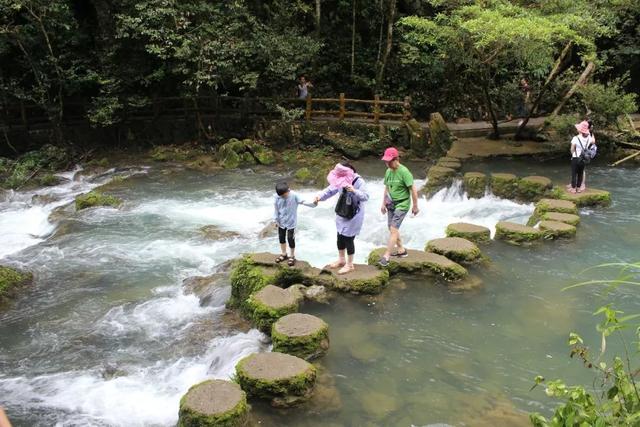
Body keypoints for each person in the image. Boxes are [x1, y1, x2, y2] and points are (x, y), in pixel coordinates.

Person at [314, 162, 369, 274]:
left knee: (349, 239)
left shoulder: (359, 181)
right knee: (340, 236)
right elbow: (330, 190)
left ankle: (350, 264)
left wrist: (354, 190)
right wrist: (319, 197)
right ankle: (341, 260)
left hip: (354, 213)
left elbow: (365, 197)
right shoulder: (339, 179)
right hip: (342, 211)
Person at [378, 147, 420, 267]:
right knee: (391, 228)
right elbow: (387, 187)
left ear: (397, 159)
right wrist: (383, 203)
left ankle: (386, 256)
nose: (387, 164)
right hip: (391, 202)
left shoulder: (404, 172)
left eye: (389, 161)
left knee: (393, 229)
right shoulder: (388, 171)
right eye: (386, 161)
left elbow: (413, 189)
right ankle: (401, 250)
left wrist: (415, 206)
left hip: (402, 203)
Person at [273, 181, 316, 266]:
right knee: (281, 238)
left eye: (284, 195)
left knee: (290, 239)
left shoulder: (294, 195)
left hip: (291, 222)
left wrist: (314, 203)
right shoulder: (277, 197)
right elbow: (276, 209)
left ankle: (292, 256)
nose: (283, 197)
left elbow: (303, 202)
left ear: (288, 191)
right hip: (281, 221)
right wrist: (275, 220)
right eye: (281, 196)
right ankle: (284, 254)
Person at [569, 120, 596, 194]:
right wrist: (592, 132)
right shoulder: (589, 138)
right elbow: (593, 142)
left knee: (574, 173)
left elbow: (572, 148)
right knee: (580, 174)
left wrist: (572, 155)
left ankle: (573, 189)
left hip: (575, 157)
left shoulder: (575, 138)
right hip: (584, 158)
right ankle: (579, 188)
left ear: (580, 130)